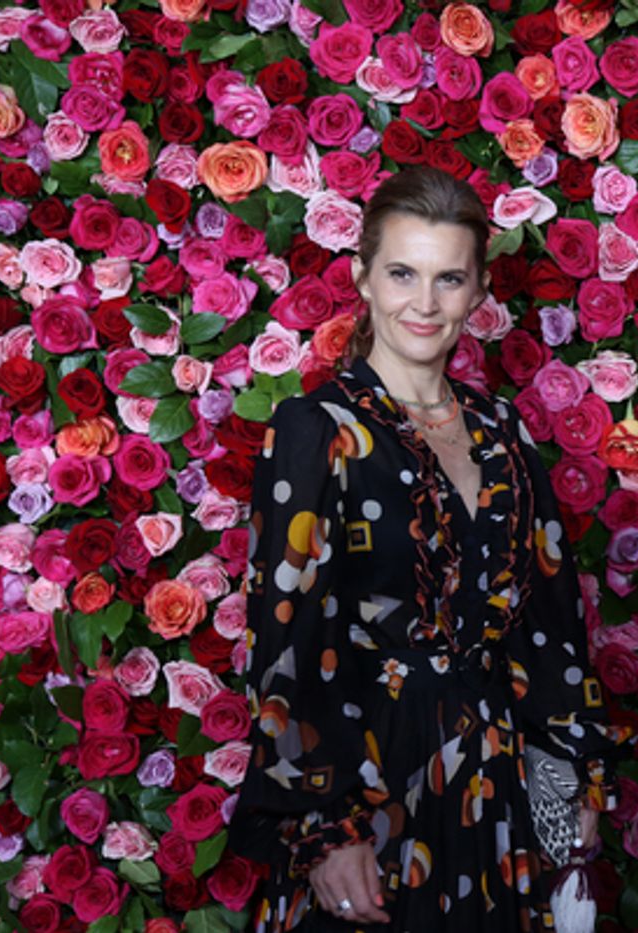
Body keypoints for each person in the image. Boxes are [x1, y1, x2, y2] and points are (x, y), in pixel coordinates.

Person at [233, 166, 617, 932]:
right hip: (373, 791)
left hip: (494, 789)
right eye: (403, 273)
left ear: (477, 295)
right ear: (363, 279)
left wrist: (569, 776)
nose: (425, 302)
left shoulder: (503, 433)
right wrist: (323, 830)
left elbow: (549, 625)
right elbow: (285, 640)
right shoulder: (318, 429)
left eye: (450, 279)